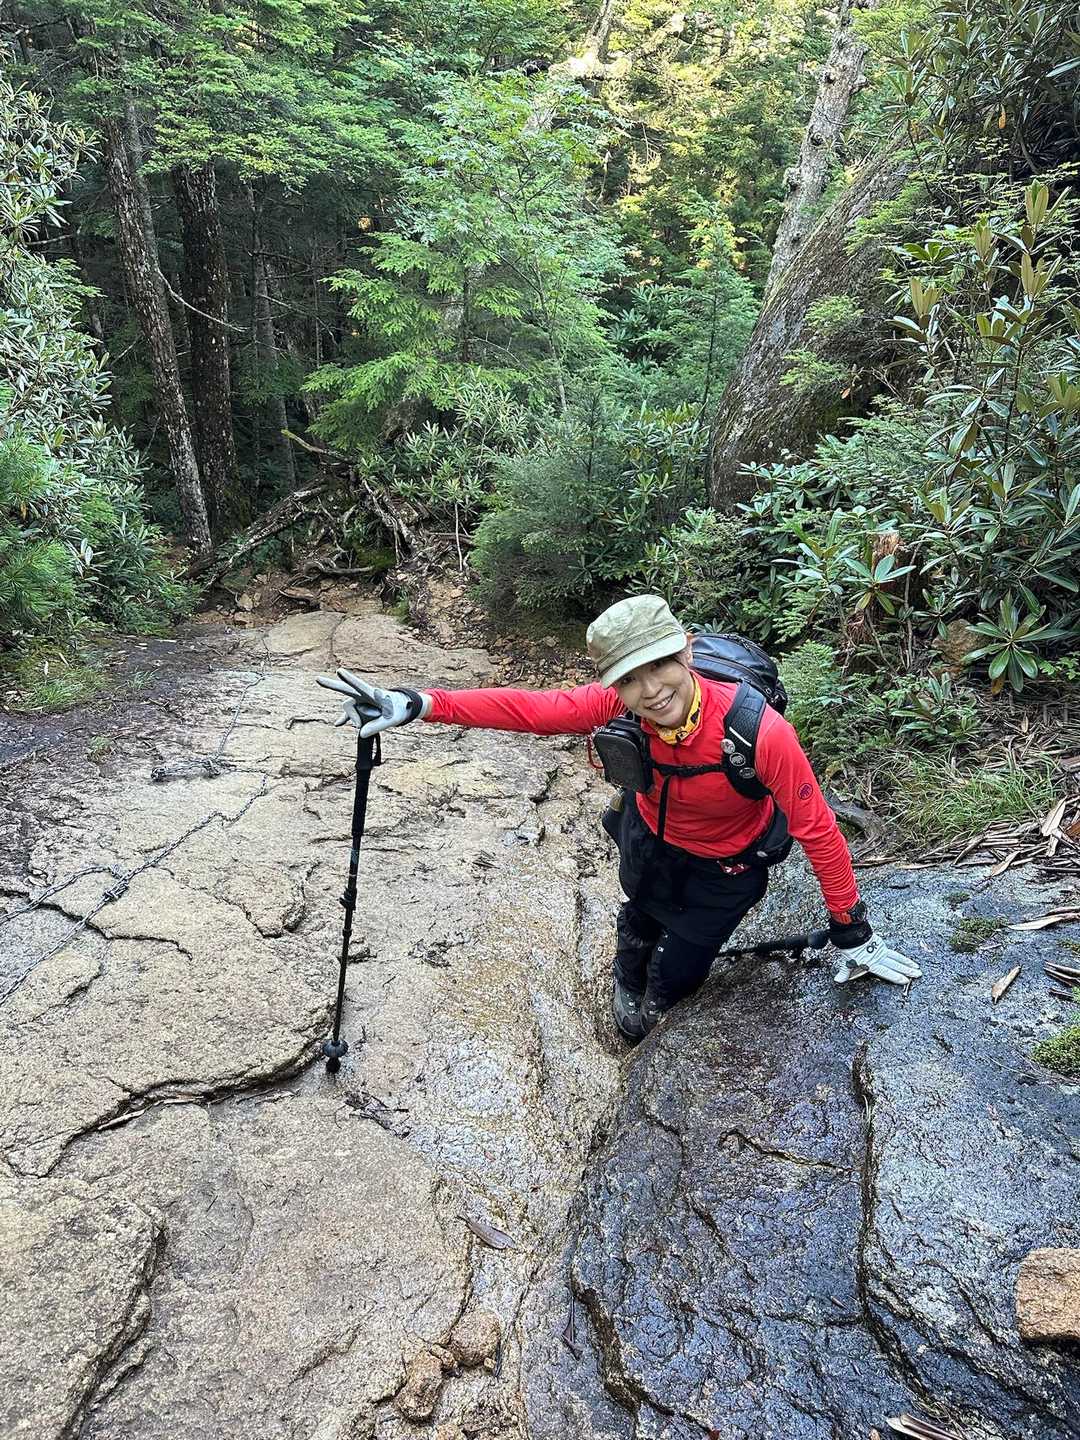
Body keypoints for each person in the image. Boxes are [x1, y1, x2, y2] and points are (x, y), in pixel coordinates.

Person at [318, 594, 920, 1042]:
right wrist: (420, 703)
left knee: (681, 970)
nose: (650, 691)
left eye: (660, 666)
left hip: (726, 870)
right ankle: (626, 978)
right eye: (629, 680)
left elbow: (817, 828)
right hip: (650, 840)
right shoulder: (617, 705)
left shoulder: (757, 731)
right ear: (612, 685)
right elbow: (530, 710)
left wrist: (851, 928)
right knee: (637, 920)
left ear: (686, 651)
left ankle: (656, 998)